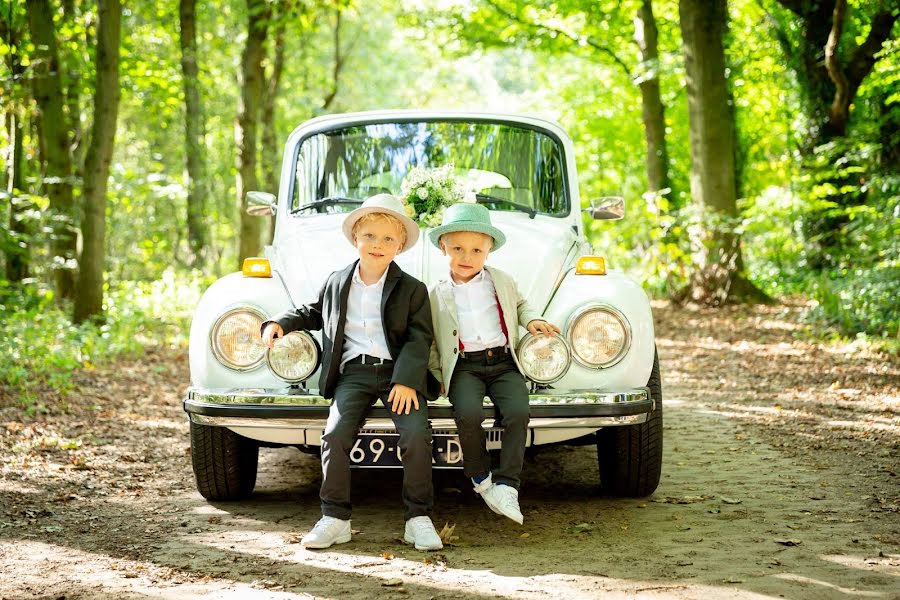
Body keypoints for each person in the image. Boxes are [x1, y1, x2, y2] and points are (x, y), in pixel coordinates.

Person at [260, 194, 442, 551]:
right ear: (355, 239)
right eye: (370, 236)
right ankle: (335, 518)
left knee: (417, 435)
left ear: (400, 245)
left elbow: (420, 338)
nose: (378, 245)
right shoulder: (338, 281)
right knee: (334, 435)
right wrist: (280, 322)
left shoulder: (412, 289)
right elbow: (314, 311)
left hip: (397, 375)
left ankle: (418, 518)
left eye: (389, 239)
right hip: (354, 375)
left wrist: (406, 381)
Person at [427, 203, 560, 525]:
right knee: (468, 414)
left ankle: (507, 484)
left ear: (489, 251)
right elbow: (430, 339)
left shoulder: (501, 280)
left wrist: (532, 321)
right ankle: (480, 478)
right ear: (443, 247)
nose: (466, 256)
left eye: (476, 249)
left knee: (518, 412)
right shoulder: (435, 293)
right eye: (457, 248)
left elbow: (521, 305)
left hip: (503, 362)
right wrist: (436, 373)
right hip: (465, 367)